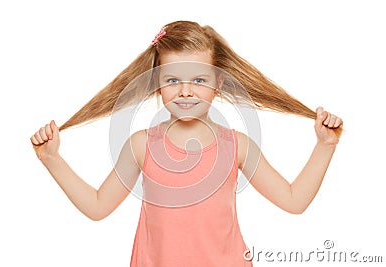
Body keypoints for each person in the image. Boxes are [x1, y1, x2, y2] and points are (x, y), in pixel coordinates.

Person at [30, 21, 343, 266]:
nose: (185, 91)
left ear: (218, 83)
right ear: (157, 83)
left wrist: (325, 146)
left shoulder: (237, 145)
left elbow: (293, 200)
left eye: (199, 80)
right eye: (172, 80)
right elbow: (98, 207)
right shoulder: (142, 145)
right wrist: (52, 158)